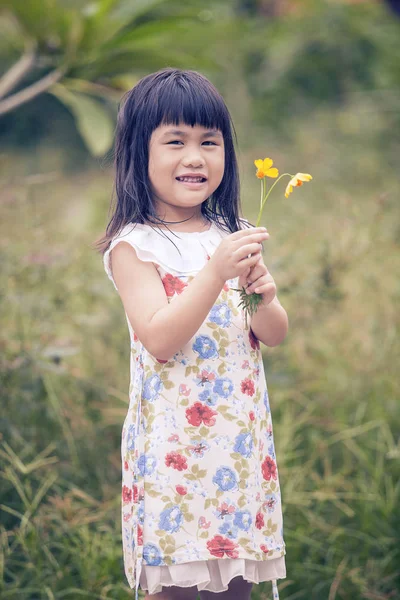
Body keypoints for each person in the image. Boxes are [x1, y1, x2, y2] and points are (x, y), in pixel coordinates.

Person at [100, 67, 288, 600]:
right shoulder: (134, 246)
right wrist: (214, 273)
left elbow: (272, 335)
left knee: (233, 587)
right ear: (140, 153)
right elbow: (159, 338)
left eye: (210, 142)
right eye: (175, 142)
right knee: (178, 584)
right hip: (175, 457)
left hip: (236, 452)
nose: (195, 158)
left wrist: (264, 297)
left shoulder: (231, 233)